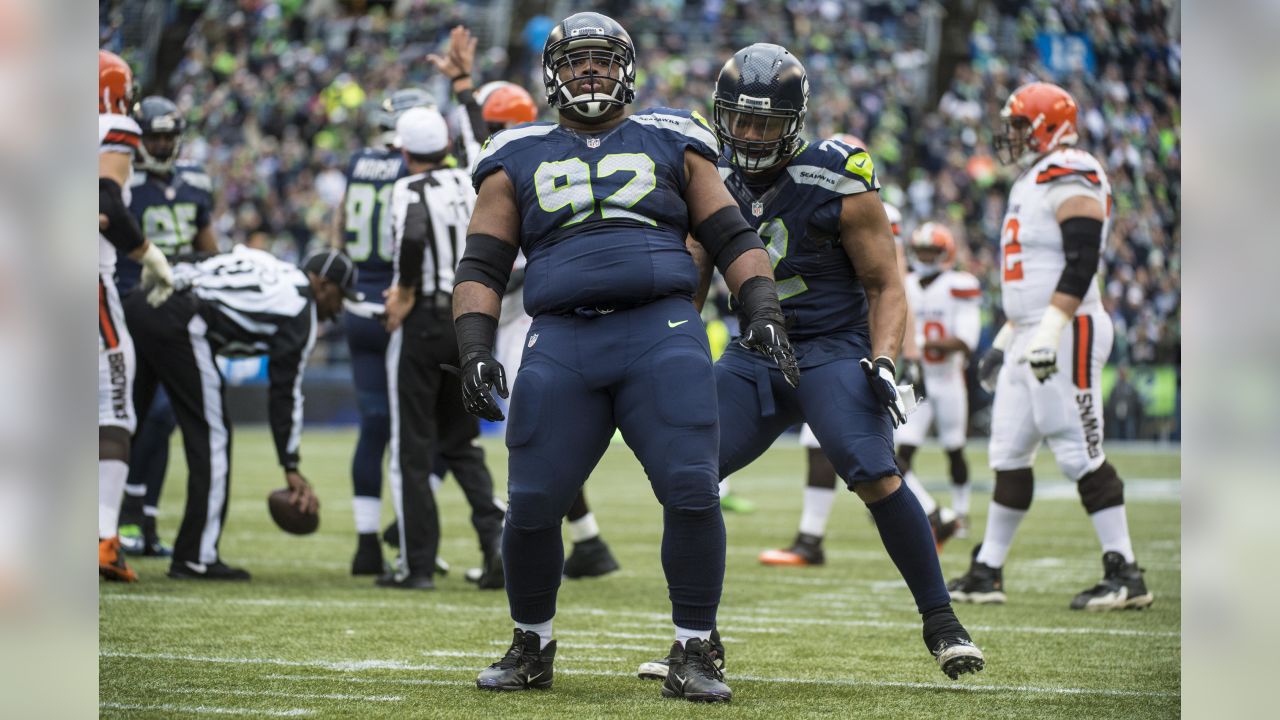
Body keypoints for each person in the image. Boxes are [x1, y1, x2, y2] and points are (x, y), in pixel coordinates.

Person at [453, 13, 797, 702]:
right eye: (576, 61)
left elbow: (731, 233)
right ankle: (532, 643)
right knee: (530, 502)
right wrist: (474, 349)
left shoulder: (675, 136)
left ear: (627, 68)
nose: (590, 72)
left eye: (603, 61)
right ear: (553, 73)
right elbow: (482, 265)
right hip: (562, 339)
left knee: (693, 489)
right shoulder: (513, 150)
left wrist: (761, 308)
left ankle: (695, 648)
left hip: (660, 332)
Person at [674, 43, 983, 680]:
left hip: (831, 347)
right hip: (752, 351)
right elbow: (692, 284)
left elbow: (885, 285)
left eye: (765, 122)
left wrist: (884, 359)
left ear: (795, 121)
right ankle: (698, 640)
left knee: (873, 470)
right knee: (687, 474)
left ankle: (942, 621)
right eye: (739, 119)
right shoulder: (708, 175)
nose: (750, 134)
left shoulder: (836, 173)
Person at [948, 82, 1153, 611]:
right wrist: (1006, 338)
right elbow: (1029, 281)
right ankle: (988, 570)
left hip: (1069, 327)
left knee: (1077, 450)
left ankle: (1126, 571)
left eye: (1019, 124)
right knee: (1008, 453)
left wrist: (1050, 329)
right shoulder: (1032, 178)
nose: (1011, 134)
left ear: (1047, 124)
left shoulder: (1074, 167)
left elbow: (1082, 261)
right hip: (1031, 332)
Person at [434, 25, 621, 580]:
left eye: (497, 127)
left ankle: (527, 547)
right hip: (532, 298)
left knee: (535, 429)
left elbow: (476, 143)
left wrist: (467, 87)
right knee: (536, 426)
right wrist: (467, 87)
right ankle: (586, 542)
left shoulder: (515, 154)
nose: (493, 135)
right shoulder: (538, 144)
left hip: (529, 305)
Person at [757, 201, 960, 564]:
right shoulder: (827, 200)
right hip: (840, 346)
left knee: (862, 452)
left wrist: (905, 356)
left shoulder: (864, 208)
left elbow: (894, 291)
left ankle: (814, 539)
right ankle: (814, 537)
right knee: (839, 446)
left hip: (856, 349)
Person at [123, 246, 332, 580]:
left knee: (122, 425)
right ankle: (197, 557)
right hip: (182, 315)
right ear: (323, 284)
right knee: (213, 436)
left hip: (142, 297)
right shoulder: (301, 307)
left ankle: (98, 535)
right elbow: (285, 393)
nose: (336, 312)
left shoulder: (267, 262)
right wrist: (290, 464)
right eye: (339, 297)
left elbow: (207, 256)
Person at [377, 107, 505, 591]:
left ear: (405, 150)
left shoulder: (407, 188)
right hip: (468, 321)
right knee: (462, 443)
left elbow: (411, 233)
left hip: (424, 318)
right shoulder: (465, 181)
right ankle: (494, 543)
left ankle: (419, 564)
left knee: (412, 448)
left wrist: (404, 292)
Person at [333, 85, 442, 576]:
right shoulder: (413, 171)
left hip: (359, 306)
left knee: (374, 425)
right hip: (404, 306)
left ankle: (363, 543)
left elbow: (338, 229)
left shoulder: (358, 162)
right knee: (425, 433)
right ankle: (406, 540)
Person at [117, 95, 218, 558]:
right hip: (130, 304)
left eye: (167, 136)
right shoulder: (119, 179)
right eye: (153, 136)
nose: (160, 144)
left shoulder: (195, 180)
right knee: (126, 417)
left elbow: (208, 246)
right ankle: (119, 518)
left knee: (161, 417)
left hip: (179, 308)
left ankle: (144, 518)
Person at [98, 50, 176, 582]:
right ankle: (104, 537)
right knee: (115, 409)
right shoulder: (113, 124)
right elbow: (103, 203)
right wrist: (147, 253)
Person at [894, 221, 980, 544]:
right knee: (899, 451)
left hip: (946, 380)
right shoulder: (906, 283)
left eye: (933, 250)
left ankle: (959, 513)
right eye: (922, 250)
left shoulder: (959, 284)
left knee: (954, 450)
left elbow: (964, 340)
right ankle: (906, 509)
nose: (926, 256)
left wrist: (915, 343)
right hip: (914, 382)